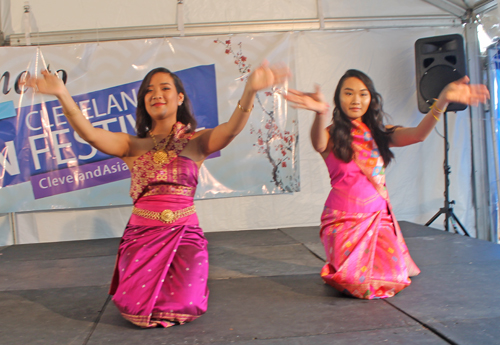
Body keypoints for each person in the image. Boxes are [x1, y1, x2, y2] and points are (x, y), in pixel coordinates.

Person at [27, 62, 289, 327]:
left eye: (165, 88)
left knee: (186, 304)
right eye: (149, 91)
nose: (157, 94)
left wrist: (250, 90)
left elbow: (231, 129)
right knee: (134, 310)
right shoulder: (131, 145)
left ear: (180, 98)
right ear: (143, 101)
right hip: (142, 238)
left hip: (185, 237)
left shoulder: (196, 142)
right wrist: (62, 93)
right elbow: (90, 135)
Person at [285, 69, 489, 299]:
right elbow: (318, 144)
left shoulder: (379, 135)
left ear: (371, 98)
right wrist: (320, 113)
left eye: (363, 94)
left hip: (378, 220)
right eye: (348, 93)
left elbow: (418, 135)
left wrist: (443, 100)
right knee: (354, 283)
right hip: (343, 222)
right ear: (337, 99)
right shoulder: (331, 135)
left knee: (393, 279)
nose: (355, 100)